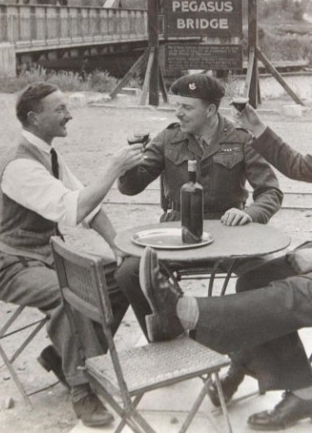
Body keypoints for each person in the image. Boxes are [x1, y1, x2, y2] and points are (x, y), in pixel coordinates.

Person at [138, 77, 312, 430]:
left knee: (286, 296)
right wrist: (256, 126)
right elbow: (300, 166)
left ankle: (185, 312)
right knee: (254, 278)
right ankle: (305, 394)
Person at [0, 82, 145, 428]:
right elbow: (72, 209)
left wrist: (117, 246)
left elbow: (89, 204)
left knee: (123, 274)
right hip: (11, 267)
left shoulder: (49, 155)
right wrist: (114, 168)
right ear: (34, 118)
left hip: (45, 259)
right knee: (71, 292)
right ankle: (81, 389)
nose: (69, 114)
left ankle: (61, 357)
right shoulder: (19, 166)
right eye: (59, 109)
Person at [114, 73, 283, 336]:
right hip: (177, 232)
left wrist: (250, 213)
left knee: (265, 274)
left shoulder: (240, 139)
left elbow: (270, 191)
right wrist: (130, 161)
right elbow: (131, 187)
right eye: (176, 106)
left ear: (211, 110)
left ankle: (245, 343)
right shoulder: (168, 138)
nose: (178, 113)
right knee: (129, 272)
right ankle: (167, 338)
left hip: (229, 233)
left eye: (187, 108)